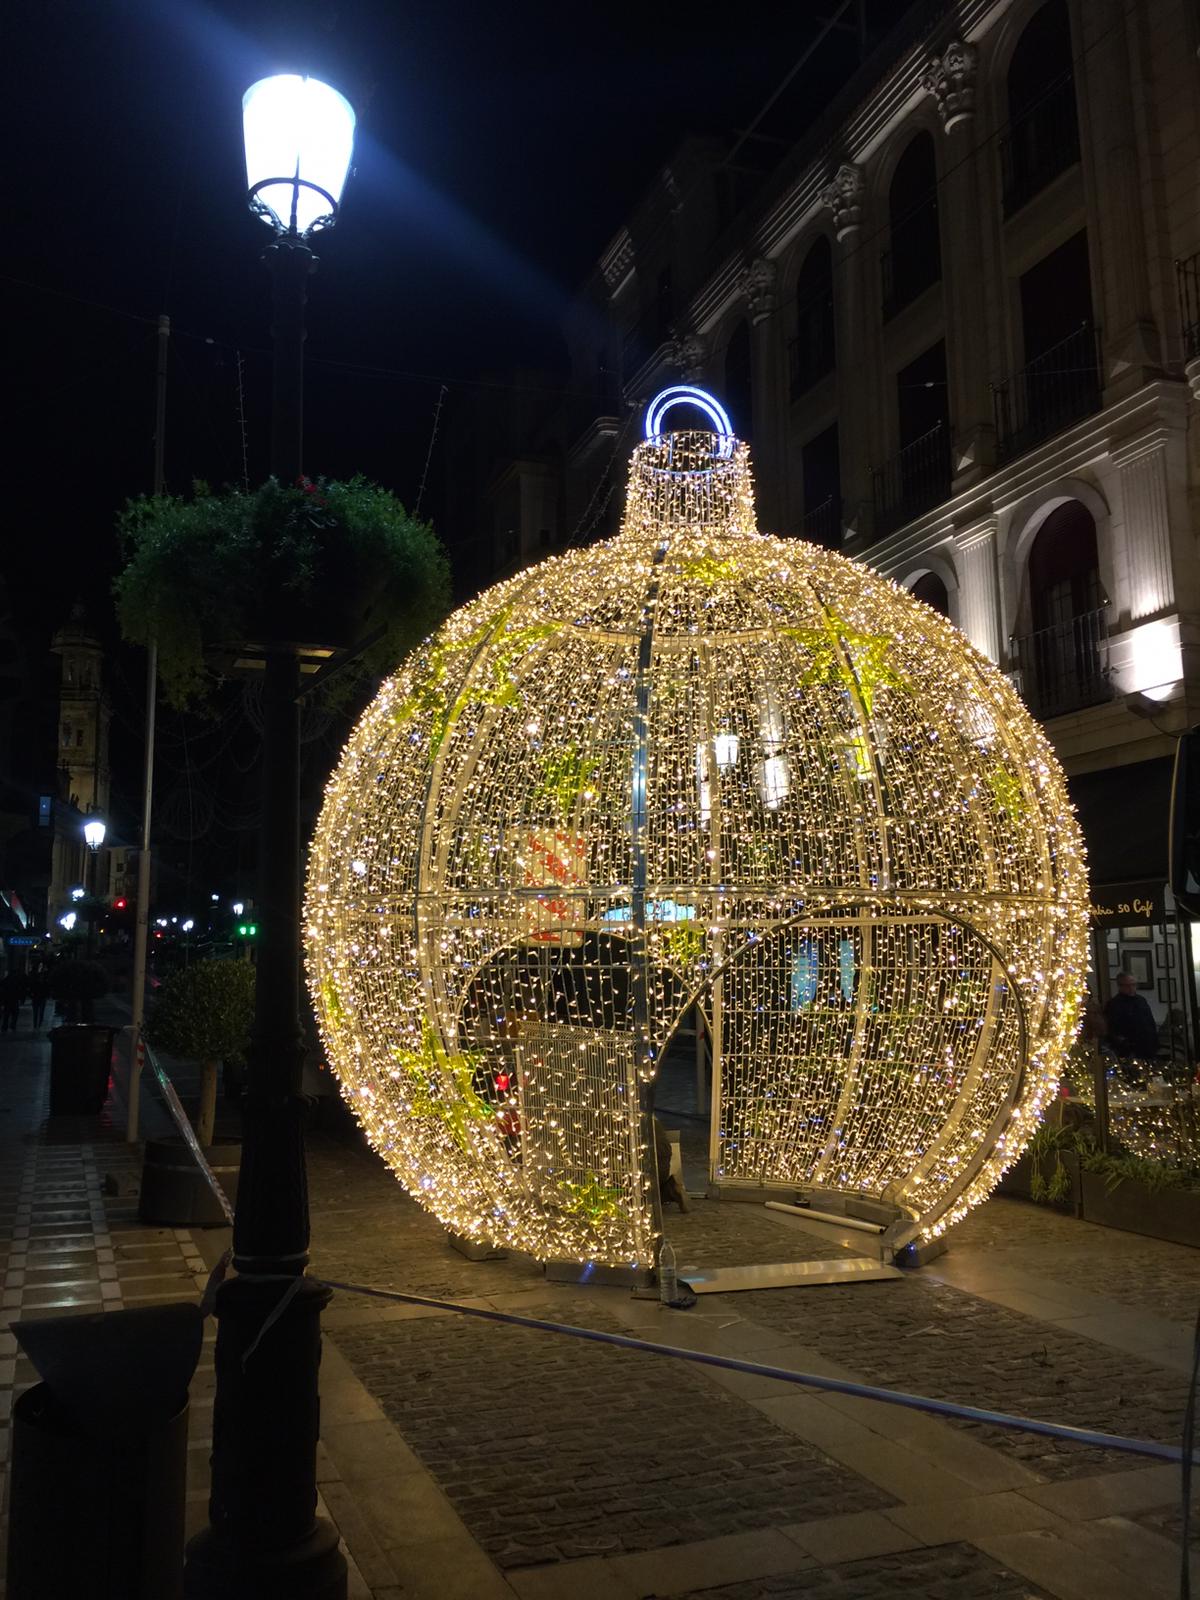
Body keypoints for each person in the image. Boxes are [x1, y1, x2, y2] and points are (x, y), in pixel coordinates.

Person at [1103, 971, 1158, 1074]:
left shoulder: (1141, 1000)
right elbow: (1112, 1028)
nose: (1132, 988)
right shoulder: (1114, 1004)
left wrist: (1154, 1041)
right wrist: (1124, 1044)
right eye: (1128, 985)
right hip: (1129, 1049)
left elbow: (1150, 1021)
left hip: (1147, 1047)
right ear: (1120, 986)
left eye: (1134, 985)